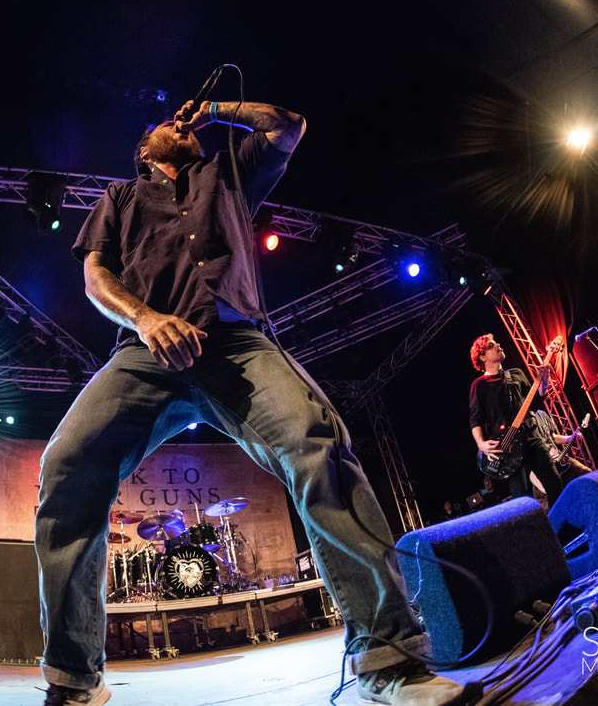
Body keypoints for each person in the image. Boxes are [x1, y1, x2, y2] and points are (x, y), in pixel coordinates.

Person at [34, 98, 462, 706]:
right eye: (164, 124)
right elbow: (96, 277)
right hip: (144, 352)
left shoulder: (228, 172)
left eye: (184, 120)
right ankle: (75, 679)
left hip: (236, 344)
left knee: (316, 444)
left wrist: (215, 109)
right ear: (143, 150)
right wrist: (147, 319)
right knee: (67, 464)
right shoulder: (120, 198)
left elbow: (288, 125)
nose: (178, 123)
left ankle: (389, 661)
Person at [468, 334, 563, 506]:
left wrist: (544, 382)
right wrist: (481, 444)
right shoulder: (479, 385)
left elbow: (533, 404)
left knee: (555, 484)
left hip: (531, 439)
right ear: (482, 357)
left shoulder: (516, 374)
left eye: (496, 342)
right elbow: (476, 418)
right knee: (523, 500)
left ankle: (563, 522)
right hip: (508, 449)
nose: (498, 344)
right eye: (491, 345)